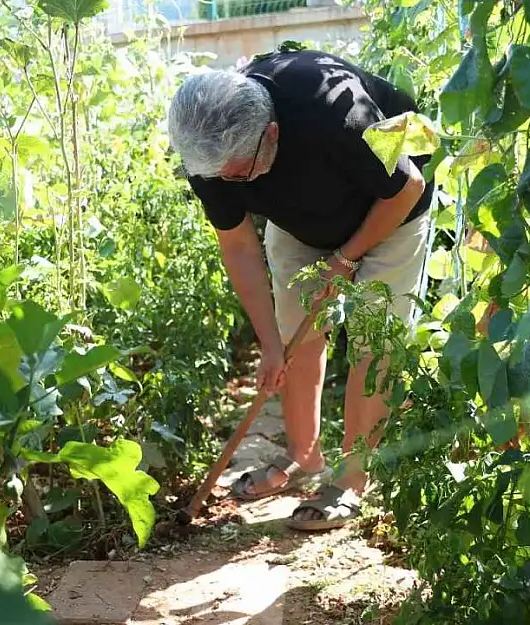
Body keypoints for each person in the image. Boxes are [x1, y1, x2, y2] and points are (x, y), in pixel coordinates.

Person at [167, 47, 434, 531]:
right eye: (218, 176)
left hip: (391, 209)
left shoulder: (333, 107)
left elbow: (408, 186)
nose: (228, 183)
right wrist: (269, 345)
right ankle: (303, 458)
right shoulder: (211, 148)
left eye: (238, 174)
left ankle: (352, 481)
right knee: (295, 335)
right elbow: (240, 247)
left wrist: (346, 259)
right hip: (302, 222)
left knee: (376, 340)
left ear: (271, 134)